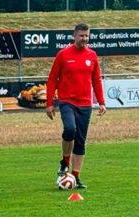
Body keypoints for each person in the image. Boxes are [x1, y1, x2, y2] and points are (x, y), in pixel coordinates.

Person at [46, 22, 107, 189]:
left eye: (87, 36)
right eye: (81, 36)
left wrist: (101, 102)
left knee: (80, 141)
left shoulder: (92, 56)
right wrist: (49, 103)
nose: (84, 39)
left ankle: (75, 176)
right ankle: (65, 162)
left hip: (85, 104)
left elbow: (96, 80)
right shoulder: (63, 55)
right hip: (67, 101)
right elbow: (52, 79)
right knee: (70, 129)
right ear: (74, 36)